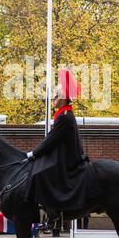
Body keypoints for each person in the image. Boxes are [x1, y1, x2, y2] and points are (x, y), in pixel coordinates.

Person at [25, 68, 90, 224]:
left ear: (63, 98)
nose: (53, 98)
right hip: (62, 153)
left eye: (56, 95)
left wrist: (33, 153)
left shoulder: (65, 116)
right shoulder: (63, 114)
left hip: (67, 158)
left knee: (41, 171)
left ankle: (52, 211)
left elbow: (50, 141)